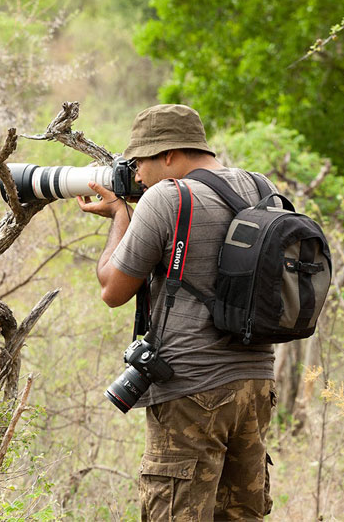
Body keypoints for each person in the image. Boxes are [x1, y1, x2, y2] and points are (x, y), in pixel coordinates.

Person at [77, 104, 277, 521]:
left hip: (190, 389)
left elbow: (112, 289)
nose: (135, 176)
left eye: (139, 163)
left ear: (168, 155)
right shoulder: (261, 189)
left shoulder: (167, 198)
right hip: (257, 385)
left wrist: (120, 215)